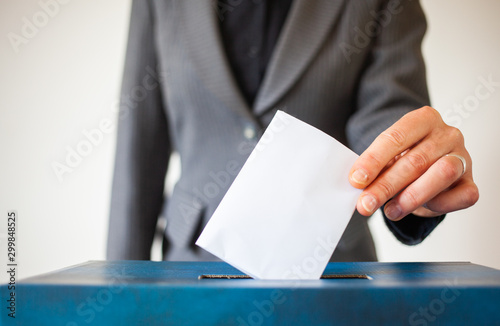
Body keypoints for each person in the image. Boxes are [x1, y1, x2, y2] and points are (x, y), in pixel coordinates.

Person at [107, 0, 478, 262]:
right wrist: (118, 291)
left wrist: (414, 173)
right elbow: (139, 147)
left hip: (330, 266)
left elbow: (386, 116)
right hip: (192, 263)